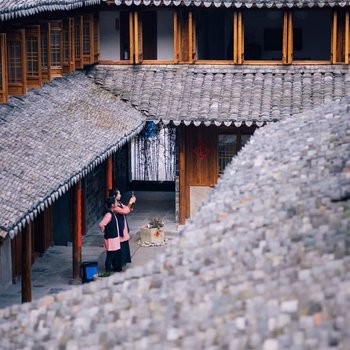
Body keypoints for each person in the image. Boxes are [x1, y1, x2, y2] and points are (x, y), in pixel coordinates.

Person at [110, 189, 136, 270]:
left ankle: (123, 262)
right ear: (115, 196)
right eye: (119, 194)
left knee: (124, 244)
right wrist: (130, 202)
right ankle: (117, 265)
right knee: (119, 246)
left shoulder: (119, 203)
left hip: (123, 226)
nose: (120, 195)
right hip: (118, 228)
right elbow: (124, 211)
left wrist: (132, 203)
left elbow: (127, 209)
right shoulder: (114, 206)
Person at [98, 196, 122, 272]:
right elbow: (101, 224)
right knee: (109, 257)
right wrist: (104, 230)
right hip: (111, 239)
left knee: (112, 255)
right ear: (112, 205)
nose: (117, 203)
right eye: (115, 202)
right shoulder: (109, 214)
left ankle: (113, 269)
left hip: (114, 238)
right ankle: (107, 272)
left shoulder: (112, 213)